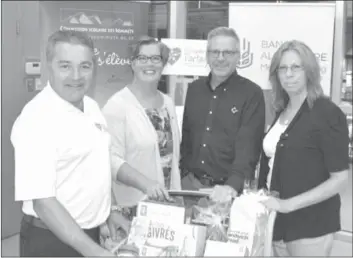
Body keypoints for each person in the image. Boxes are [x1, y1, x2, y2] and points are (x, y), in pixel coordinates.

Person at [11, 30, 167, 257]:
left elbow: (102, 162)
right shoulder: (36, 120)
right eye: (65, 66)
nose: (76, 76)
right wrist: (94, 252)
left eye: (85, 66)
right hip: (51, 241)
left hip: (88, 235)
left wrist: (109, 212)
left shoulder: (91, 107)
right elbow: (43, 202)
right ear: (49, 66)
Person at [258, 40, 349, 256]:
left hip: (310, 225)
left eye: (295, 67)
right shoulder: (282, 110)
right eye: (282, 68)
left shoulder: (327, 113)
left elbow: (339, 179)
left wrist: (287, 205)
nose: (288, 74)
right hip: (277, 222)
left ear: (309, 71)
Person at [180, 27, 266, 199]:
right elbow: (188, 138)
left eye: (227, 52)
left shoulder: (251, 94)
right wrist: (183, 175)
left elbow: (249, 148)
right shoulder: (194, 90)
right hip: (190, 188)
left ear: (238, 56)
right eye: (215, 52)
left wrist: (231, 187)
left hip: (228, 193)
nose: (220, 58)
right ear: (206, 55)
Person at [102, 36, 181, 210]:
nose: (149, 64)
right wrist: (146, 184)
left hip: (168, 206)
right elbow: (110, 160)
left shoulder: (167, 103)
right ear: (133, 63)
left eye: (155, 58)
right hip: (133, 207)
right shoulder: (117, 106)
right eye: (142, 58)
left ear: (163, 63)